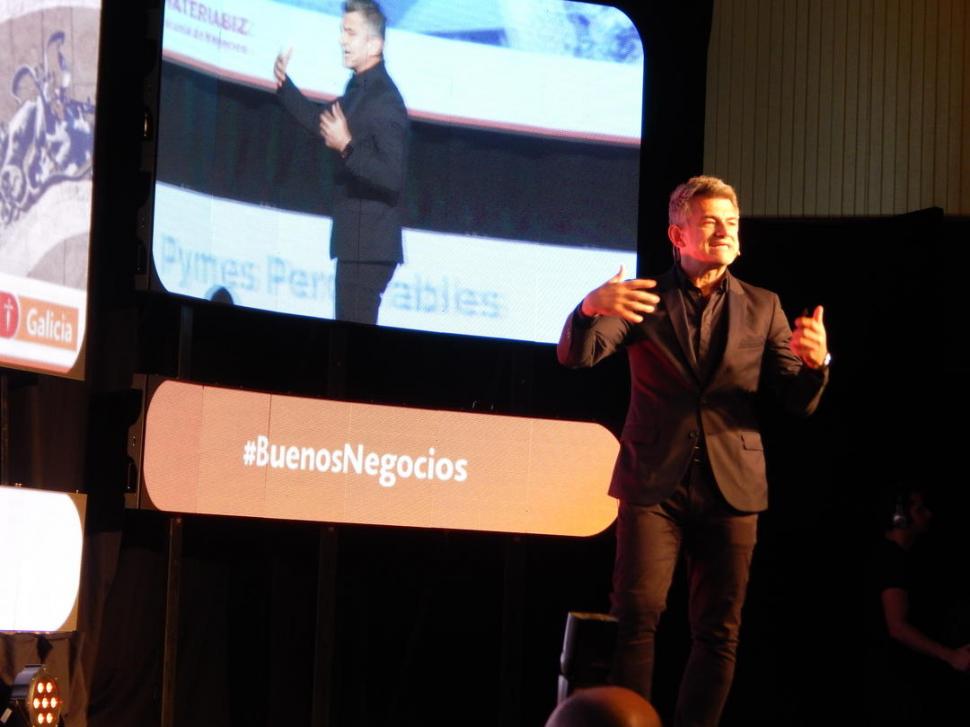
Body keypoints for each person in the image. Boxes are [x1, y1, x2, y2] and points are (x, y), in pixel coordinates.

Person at [557, 176, 829, 726]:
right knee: (635, 617)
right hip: (653, 483)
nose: (724, 231)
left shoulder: (764, 306)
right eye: (709, 222)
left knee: (718, 631)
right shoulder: (644, 298)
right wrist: (586, 311)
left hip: (733, 486)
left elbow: (797, 399)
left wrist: (816, 364)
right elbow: (578, 357)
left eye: (731, 222)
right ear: (677, 235)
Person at [274, 0, 407, 325]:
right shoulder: (359, 89)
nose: (341, 40)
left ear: (375, 44)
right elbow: (322, 123)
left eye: (350, 32)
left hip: (370, 248)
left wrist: (347, 147)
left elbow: (393, 176)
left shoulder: (385, 99)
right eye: (342, 31)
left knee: (354, 341)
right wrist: (284, 87)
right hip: (357, 244)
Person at [865, 486, 970, 725]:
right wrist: (951, 656)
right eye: (920, 509)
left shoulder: (902, 558)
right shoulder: (891, 560)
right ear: (899, 517)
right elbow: (897, 627)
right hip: (895, 686)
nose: (929, 514)